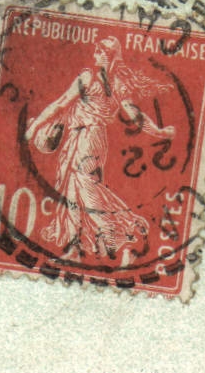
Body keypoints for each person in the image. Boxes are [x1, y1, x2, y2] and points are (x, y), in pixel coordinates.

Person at [24, 35, 175, 267]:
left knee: (86, 192)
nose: (95, 51)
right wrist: (160, 132)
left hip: (87, 137)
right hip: (87, 138)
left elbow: (60, 103)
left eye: (99, 49)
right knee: (73, 192)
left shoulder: (89, 77)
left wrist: (33, 127)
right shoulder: (118, 84)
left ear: (107, 55)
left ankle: (126, 241)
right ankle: (76, 248)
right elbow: (136, 117)